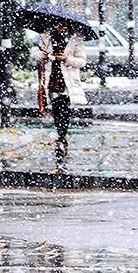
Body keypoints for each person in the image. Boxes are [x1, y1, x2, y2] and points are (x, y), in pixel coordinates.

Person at [29, 20, 87, 168]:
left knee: (65, 109)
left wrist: (66, 59)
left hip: (67, 80)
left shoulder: (76, 40)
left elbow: (81, 62)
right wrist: (40, 54)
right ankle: (61, 137)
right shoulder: (46, 37)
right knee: (56, 109)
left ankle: (61, 138)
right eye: (59, 25)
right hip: (52, 77)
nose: (61, 28)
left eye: (64, 25)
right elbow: (34, 53)